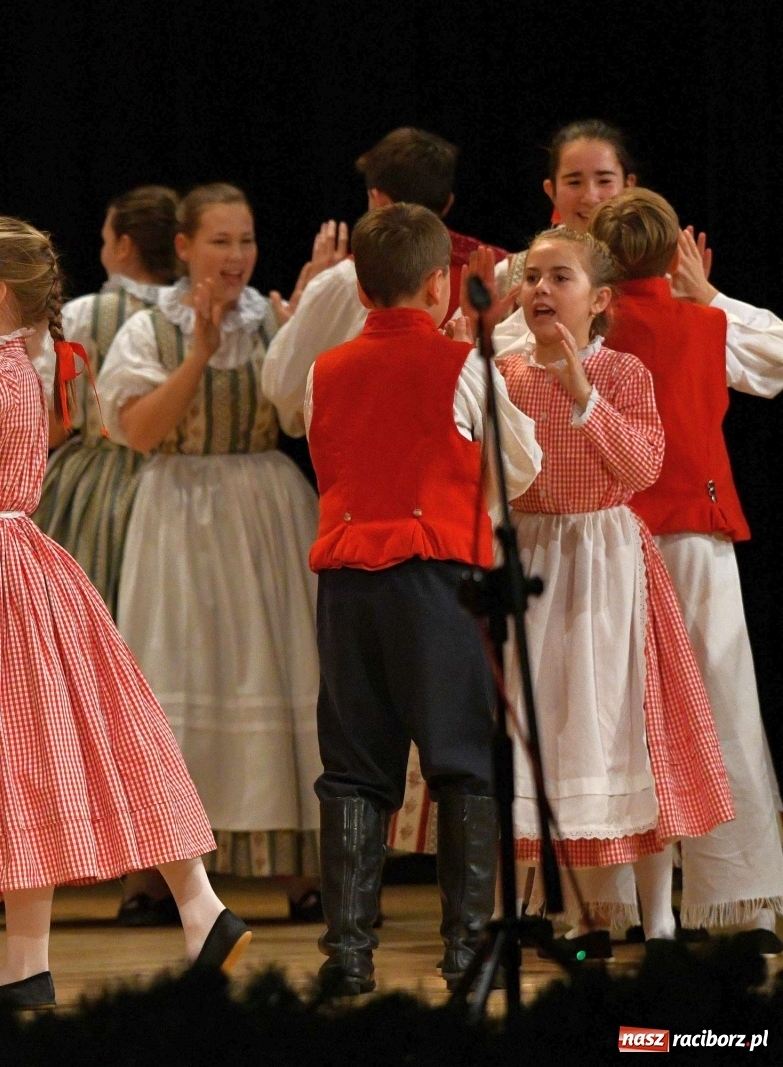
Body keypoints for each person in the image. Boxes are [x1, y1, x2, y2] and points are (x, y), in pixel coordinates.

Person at [0, 216, 248, 1011]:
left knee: (26, 752)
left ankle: (195, 908)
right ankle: (46, 954)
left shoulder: (0, 372)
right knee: (15, 764)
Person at [304, 204, 541, 994]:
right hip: (438, 579)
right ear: (440, 281)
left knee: (353, 771)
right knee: (464, 763)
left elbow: (328, 451)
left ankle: (347, 957)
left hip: (345, 583)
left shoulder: (325, 367)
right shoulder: (462, 365)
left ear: (363, 290)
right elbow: (524, 466)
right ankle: (467, 955)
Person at [497, 225, 732, 945]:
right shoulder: (505, 372)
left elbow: (642, 467)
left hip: (606, 566)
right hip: (533, 564)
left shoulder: (623, 372)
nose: (541, 289)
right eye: (532, 276)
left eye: (559, 277)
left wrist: (582, 394)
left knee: (626, 733)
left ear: (597, 298)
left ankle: (657, 914)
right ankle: (573, 910)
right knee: (556, 737)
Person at [97, 184, 323, 920]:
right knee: (176, 673)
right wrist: (197, 354)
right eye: (220, 241)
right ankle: (156, 877)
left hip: (262, 506)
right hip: (179, 510)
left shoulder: (270, 322)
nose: (236, 256)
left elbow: (298, 416)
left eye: (246, 240)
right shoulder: (148, 331)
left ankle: (299, 867)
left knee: (273, 667)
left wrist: (304, 328)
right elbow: (138, 431)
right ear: (186, 247)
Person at [590, 189, 783, 951]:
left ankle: (615, 905)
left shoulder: (590, 330)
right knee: (722, 710)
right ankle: (744, 902)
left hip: (617, 539)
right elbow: (776, 354)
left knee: (618, 717)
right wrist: (709, 292)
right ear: (677, 252)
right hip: (695, 539)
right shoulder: (708, 322)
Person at [263, 127, 506, 438]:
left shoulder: (347, 279)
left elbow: (282, 386)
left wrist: (297, 322)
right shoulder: (499, 273)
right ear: (447, 204)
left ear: (377, 199)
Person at [32, 185, 177, 621]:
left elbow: (59, 425)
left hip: (99, 481)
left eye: (105, 239)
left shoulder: (82, 316)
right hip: (180, 474)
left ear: (125, 246)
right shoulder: (191, 313)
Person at [491, 120, 638, 352]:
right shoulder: (512, 272)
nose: (590, 196)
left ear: (629, 186)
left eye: (604, 181)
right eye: (574, 182)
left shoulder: (652, 269)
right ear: (551, 190)